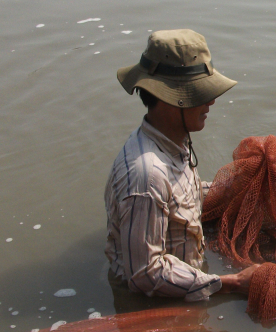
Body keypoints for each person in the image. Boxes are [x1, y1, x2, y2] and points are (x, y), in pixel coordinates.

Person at [105, 29, 258, 301]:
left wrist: (239, 188)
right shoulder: (146, 176)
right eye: (200, 94)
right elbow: (144, 274)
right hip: (155, 304)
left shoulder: (173, 141)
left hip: (188, 274)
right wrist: (231, 283)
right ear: (169, 99)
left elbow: (183, 197)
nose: (211, 101)